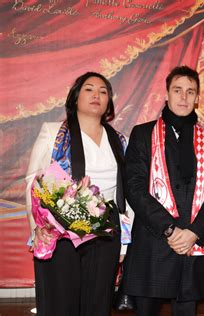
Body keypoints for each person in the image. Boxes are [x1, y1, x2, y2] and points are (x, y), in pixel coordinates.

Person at [122, 65, 204, 316]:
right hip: (154, 241)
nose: (184, 97)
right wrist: (169, 229)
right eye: (177, 90)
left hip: (193, 244)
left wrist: (194, 232)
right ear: (167, 94)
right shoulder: (143, 134)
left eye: (191, 92)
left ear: (198, 97)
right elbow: (134, 187)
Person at [25, 72, 128, 316]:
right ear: (75, 97)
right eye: (89, 89)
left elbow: (126, 190)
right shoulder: (53, 132)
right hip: (60, 229)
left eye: (103, 92)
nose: (96, 95)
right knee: (60, 302)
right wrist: (37, 227)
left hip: (105, 231)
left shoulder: (120, 139)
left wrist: (125, 241)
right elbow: (33, 181)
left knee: (98, 303)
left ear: (108, 102)